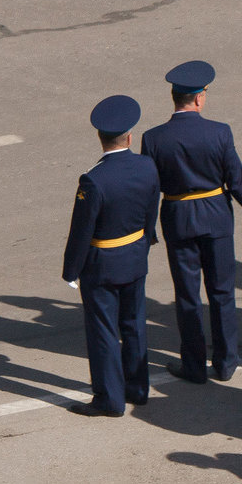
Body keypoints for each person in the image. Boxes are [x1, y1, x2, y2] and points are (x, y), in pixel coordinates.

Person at [140, 60, 242, 383]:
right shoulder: (219, 132)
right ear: (199, 98)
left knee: (187, 295)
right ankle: (226, 363)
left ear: (175, 98)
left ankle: (195, 366)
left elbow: (147, 189)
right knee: (222, 293)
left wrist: (147, 230)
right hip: (216, 220)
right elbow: (237, 182)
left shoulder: (154, 138)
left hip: (178, 220)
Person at [67, 93, 162, 416]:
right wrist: (145, 241)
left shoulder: (93, 180)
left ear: (100, 137)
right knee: (134, 323)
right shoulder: (146, 165)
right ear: (130, 136)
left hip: (102, 265)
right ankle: (137, 388)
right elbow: (151, 210)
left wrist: (71, 270)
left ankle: (110, 399)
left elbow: (82, 230)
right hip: (135, 257)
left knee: (104, 331)